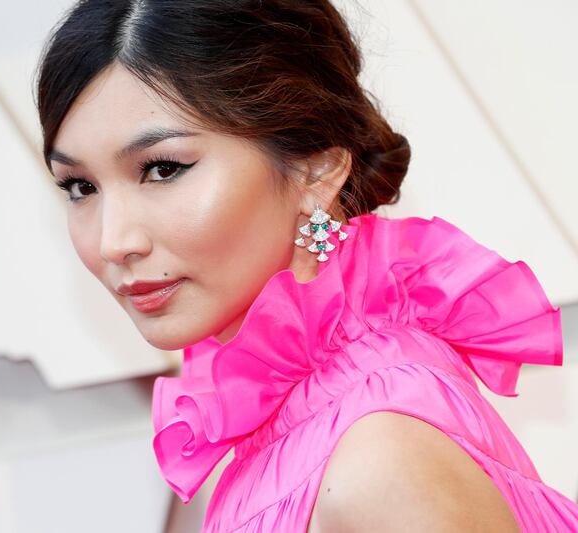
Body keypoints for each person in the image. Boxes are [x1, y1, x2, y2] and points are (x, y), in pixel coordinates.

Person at [34, 1, 578, 531]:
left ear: (316, 169)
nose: (113, 241)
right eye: (80, 187)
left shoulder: (379, 456)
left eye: (162, 168)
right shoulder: (284, 406)